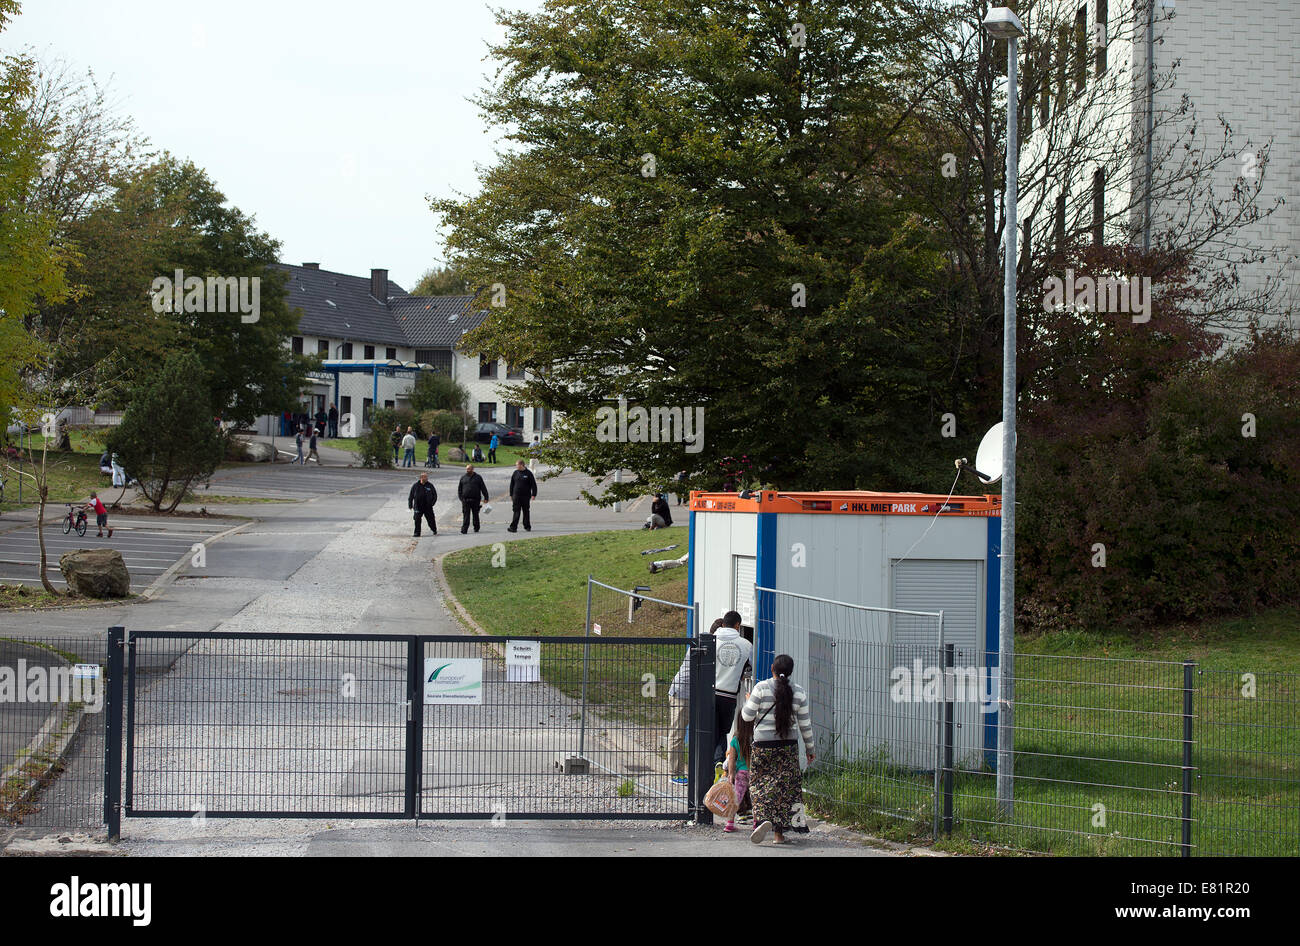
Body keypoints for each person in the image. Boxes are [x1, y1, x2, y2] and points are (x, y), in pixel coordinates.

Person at [741, 654, 816, 845]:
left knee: (759, 784)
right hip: (788, 747)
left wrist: (748, 701)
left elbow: (747, 716)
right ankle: (778, 835)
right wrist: (810, 748)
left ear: (772, 668)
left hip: (763, 746)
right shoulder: (798, 692)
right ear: (790, 672)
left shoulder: (761, 687)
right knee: (785, 788)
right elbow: (805, 725)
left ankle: (763, 818)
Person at [709, 611, 753, 770]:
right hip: (729, 695)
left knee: (711, 729)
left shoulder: (711, 640)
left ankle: (712, 763)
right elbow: (749, 669)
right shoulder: (746, 645)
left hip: (711, 692)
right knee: (723, 730)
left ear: (723, 624)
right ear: (737, 625)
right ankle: (718, 762)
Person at [723, 710, 755, 833]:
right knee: (755, 798)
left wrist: (731, 774)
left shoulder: (736, 739)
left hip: (740, 773)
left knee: (736, 798)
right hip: (754, 773)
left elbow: (731, 759)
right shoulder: (755, 737)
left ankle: (729, 823)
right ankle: (756, 824)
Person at [666, 647, 691, 784]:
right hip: (682, 694)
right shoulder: (703, 646)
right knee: (677, 733)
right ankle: (675, 773)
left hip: (690, 693)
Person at [457, 463, 490, 534]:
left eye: (468, 469)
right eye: (466, 469)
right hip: (465, 500)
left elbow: (483, 488)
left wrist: (486, 497)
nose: (467, 470)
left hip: (476, 500)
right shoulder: (463, 477)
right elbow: (459, 489)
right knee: (466, 515)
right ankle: (464, 529)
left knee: (475, 515)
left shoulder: (478, 477)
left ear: (472, 469)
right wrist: (461, 498)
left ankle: (476, 527)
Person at [507, 459, 537, 532]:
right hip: (516, 496)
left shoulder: (528, 473)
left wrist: (534, 494)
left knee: (526, 511)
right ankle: (513, 527)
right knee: (516, 511)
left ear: (522, 465)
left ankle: (527, 526)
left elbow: (533, 485)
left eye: (517, 465)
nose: (516, 466)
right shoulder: (515, 473)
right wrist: (511, 494)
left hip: (526, 496)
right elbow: (512, 484)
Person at [408, 472, 438, 537]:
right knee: (417, 520)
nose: (427, 478)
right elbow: (411, 496)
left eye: (427, 477)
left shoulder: (430, 485)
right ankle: (417, 533)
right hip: (418, 507)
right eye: (425, 477)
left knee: (431, 520)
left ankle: (434, 529)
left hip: (428, 507)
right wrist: (410, 505)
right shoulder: (415, 486)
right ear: (421, 478)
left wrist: (432, 503)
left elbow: (435, 495)